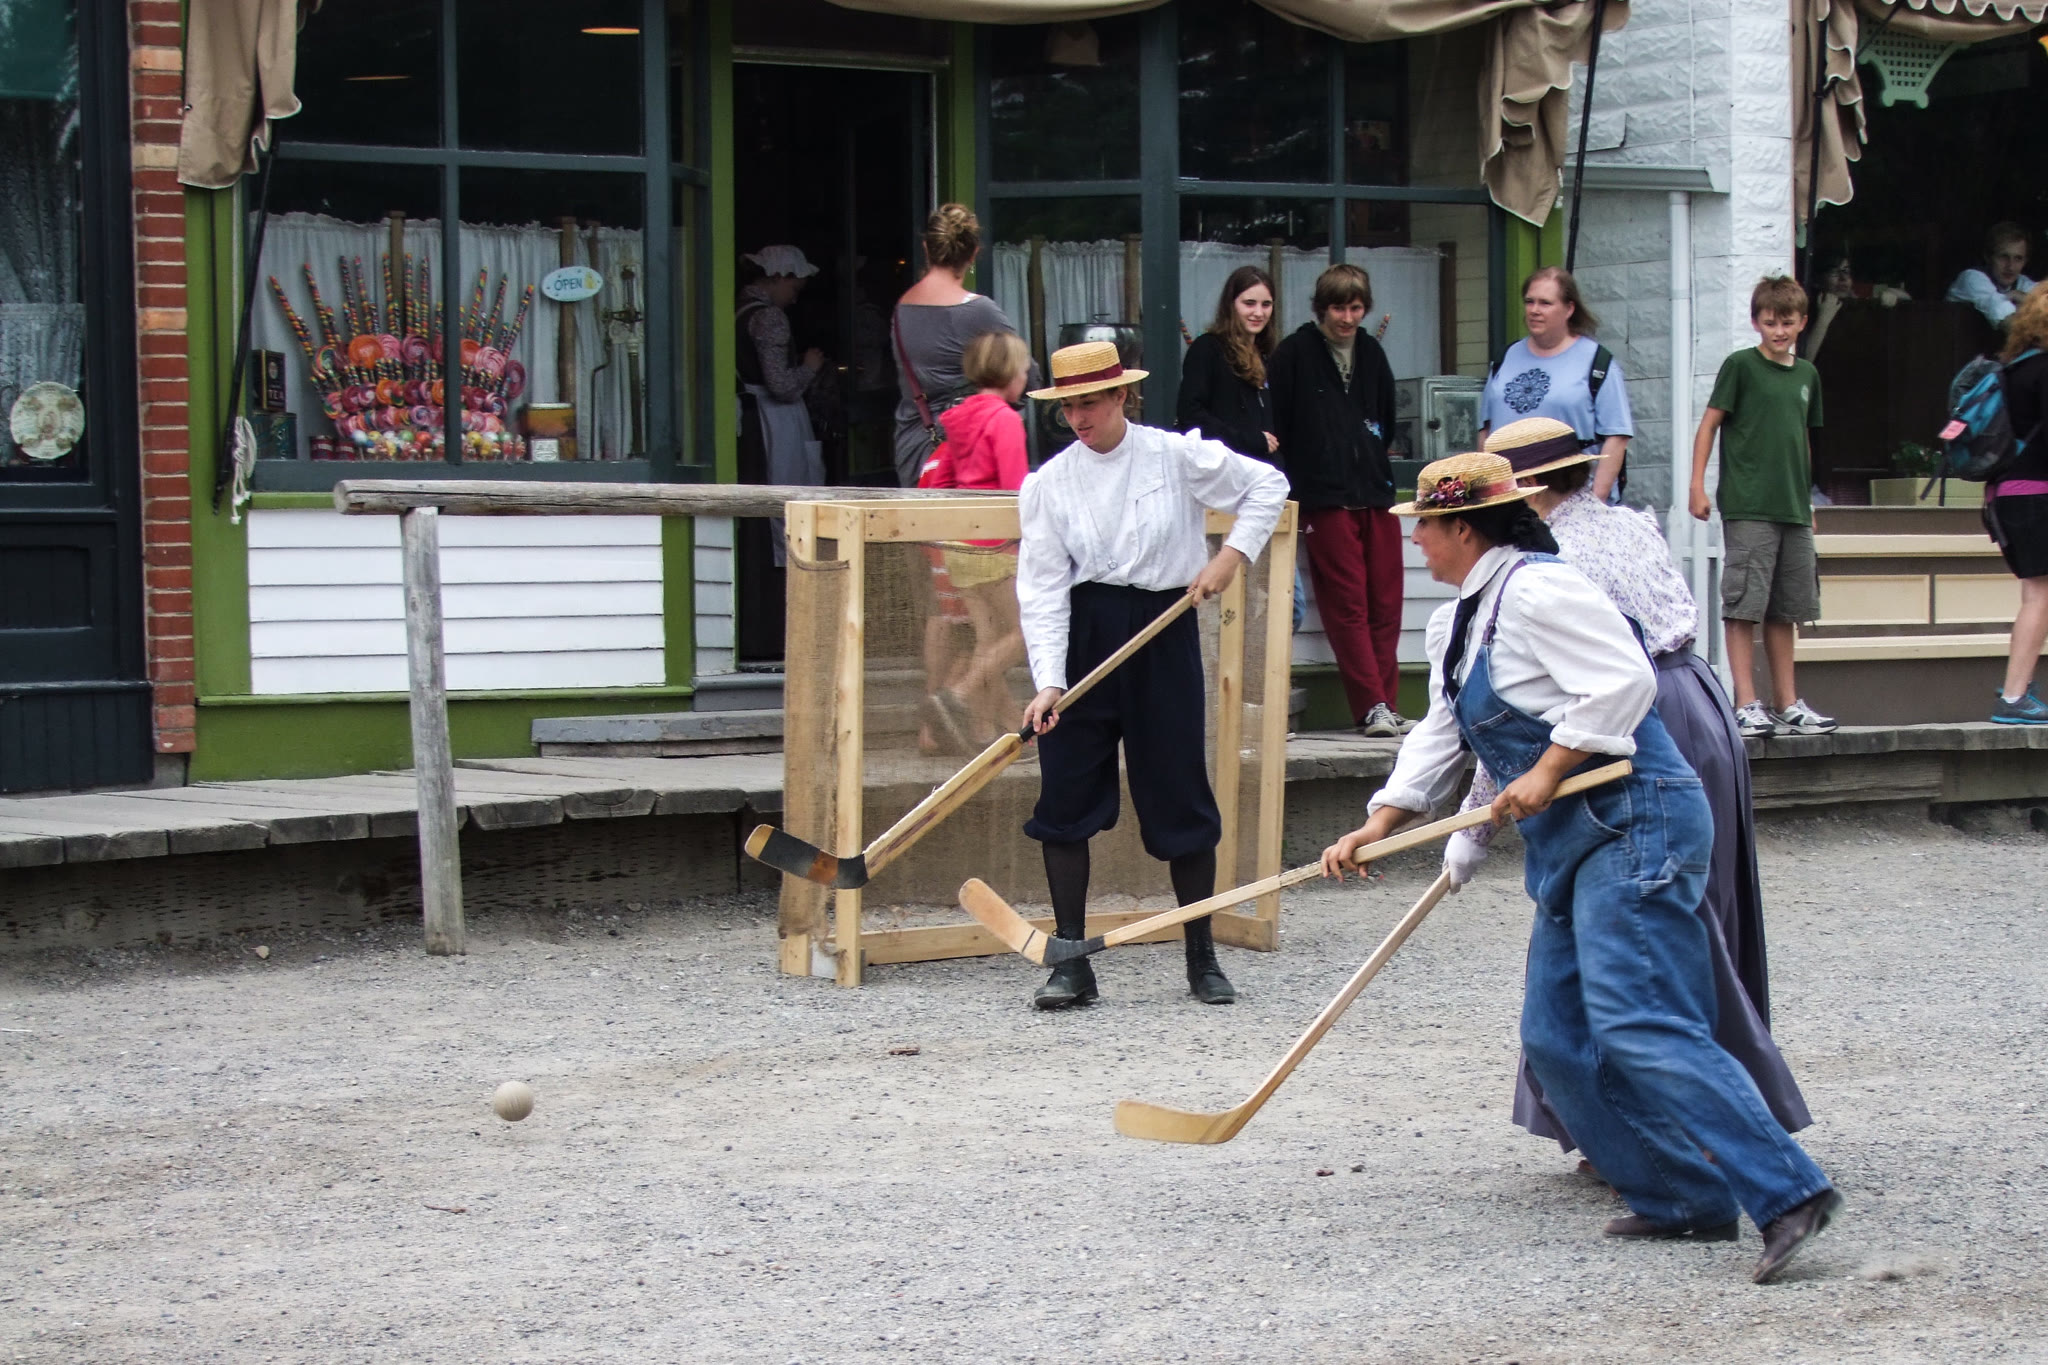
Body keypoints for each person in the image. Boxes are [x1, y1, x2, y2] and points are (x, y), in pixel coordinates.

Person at [1319, 452, 1840, 1284]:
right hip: (1573, 839)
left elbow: (1626, 679)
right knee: (1556, 1037)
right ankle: (1683, 1194)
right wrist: (1380, 821)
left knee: (1640, 1017)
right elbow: (1444, 731)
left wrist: (1551, 765)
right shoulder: (1460, 621)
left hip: (1638, 818)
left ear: (1464, 529)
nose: (1417, 542)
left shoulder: (1541, 591)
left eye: (1426, 526)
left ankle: (1790, 1191)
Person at [1465, 417, 1811, 1152]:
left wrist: (1475, 822)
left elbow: (1524, 697)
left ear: (1524, 491)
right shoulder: (1626, 523)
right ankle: (1685, 1122)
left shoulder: (1546, 563)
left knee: (1631, 921)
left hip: (1632, 722)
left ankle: (1668, 1128)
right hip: (1698, 704)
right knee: (1688, 910)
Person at [1017, 341, 1289, 1009]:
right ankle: (1071, 961)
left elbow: (1268, 485)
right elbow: (1043, 588)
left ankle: (1202, 957)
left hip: (1163, 630)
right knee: (1065, 796)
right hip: (1084, 636)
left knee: (1178, 792)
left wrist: (1231, 555)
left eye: (1090, 403)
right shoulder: (1048, 483)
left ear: (1121, 396)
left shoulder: (1174, 456)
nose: (1079, 418)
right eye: (1067, 407)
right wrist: (1049, 680)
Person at [1689, 276, 1837, 739]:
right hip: (1749, 504)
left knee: (1786, 608)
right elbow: (1709, 425)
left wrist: (1807, 497)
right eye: (1770, 322)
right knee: (1743, 604)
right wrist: (1697, 485)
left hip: (1793, 507)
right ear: (1756, 322)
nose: (1779, 331)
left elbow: (1803, 439)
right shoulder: (1741, 366)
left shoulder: (1807, 375)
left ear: (1802, 323)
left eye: (1787, 323)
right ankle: (1745, 702)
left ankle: (1787, 702)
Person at [1269, 264, 1408, 737]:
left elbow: (1386, 420)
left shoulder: (1371, 352)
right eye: (1338, 308)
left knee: (1386, 602)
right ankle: (1370, 705)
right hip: (1323, 497)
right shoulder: (1294, 353)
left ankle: (1388, 702)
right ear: (1321, 308)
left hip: (1375, 492)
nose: (1347, 318)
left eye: (1355, 308)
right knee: (1346, 604)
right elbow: (1280, 424)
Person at [917, 331, 1033, 747]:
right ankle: (959, 695)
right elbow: (1015, 490)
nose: (1026, 378)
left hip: (959, 547)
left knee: (988, 638)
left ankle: (986, 734)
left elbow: (945, 481)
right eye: (1024, 370)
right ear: (1009, 373)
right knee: (1027, 631)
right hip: (994, 547)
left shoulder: (958, 418)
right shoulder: (1005, 419)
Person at [893, 204, 1023, 489]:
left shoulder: (901, 308)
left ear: (926, 248)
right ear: (973, 253)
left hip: (911, 446)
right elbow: (1024, 374)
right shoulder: (979, 311)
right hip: (963, 450)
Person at [1478, 266, 1634, 502]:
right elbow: (1486, 431)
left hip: (1571, 499)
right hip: (1509, 501)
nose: (1534, 310)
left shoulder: (1597, 363)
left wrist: (1595, 502)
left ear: (1569, 308)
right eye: (1529, 302)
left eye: (1545, 303)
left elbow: (1617, 436)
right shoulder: (1505, 358)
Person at [737, 245, 827, 563]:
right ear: (778, 277)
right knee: (788, 490)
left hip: (756, 412)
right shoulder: (769, 317)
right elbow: (782, 386)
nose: (795, 298)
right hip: (775, 419)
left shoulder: (739, 309)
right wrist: (810, 367)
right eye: (794, 288)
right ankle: (793, 561)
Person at [1985, 285, 2048, 724]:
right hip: (2037, 494)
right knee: (2040, 595)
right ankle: (2013, 697)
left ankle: (2019, 685)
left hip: (2006, 495)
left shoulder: (2014, 368)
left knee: (2035, 592)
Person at [1178, 265, 1279, 463]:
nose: (1259, 313)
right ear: (1231, 305)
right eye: (1249, 304)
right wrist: (1248, 440)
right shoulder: (1208, 349)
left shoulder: (1266, 354)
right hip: (1221, 469)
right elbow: (1190, 416)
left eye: (1266, 304)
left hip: (1261, 471)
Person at [1946, 222, 2036, 329]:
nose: (2010, 266)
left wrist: (2028, 299)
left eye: (2018, 258)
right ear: (1988, 257)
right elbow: (2000, 310)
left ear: (2025, 261)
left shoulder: (2022, 282)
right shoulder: (1971, 278)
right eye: (2003, 257)